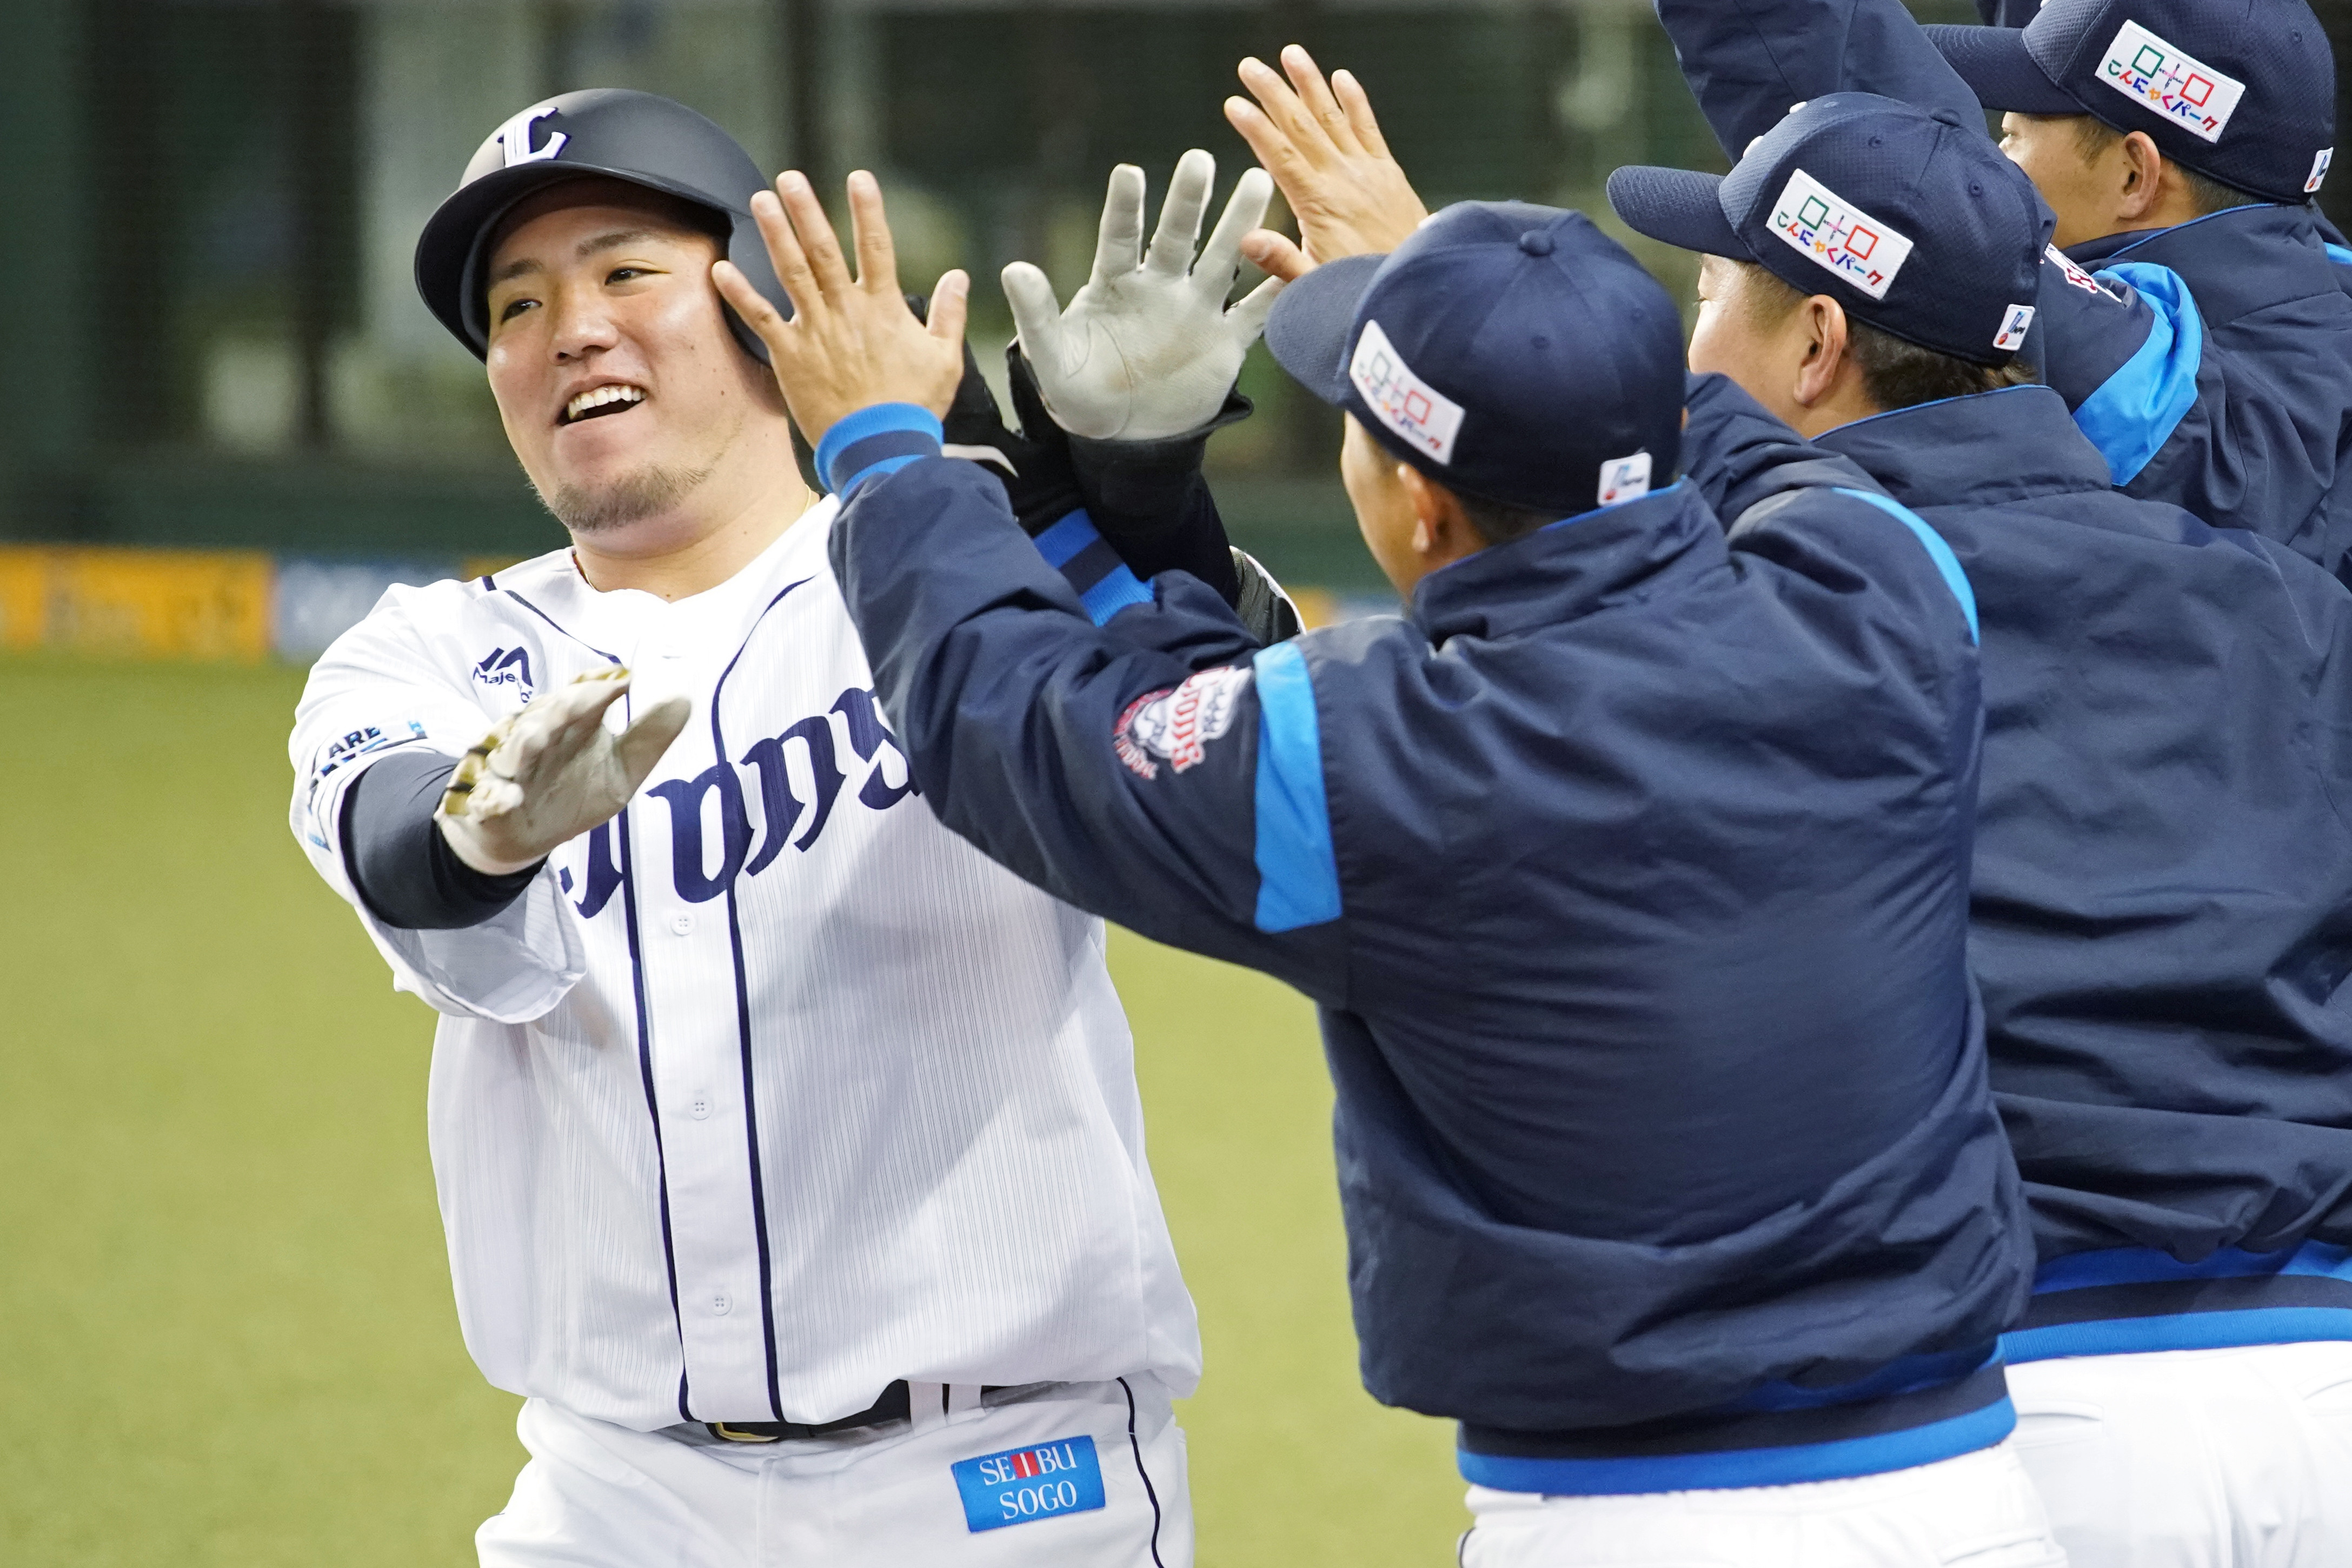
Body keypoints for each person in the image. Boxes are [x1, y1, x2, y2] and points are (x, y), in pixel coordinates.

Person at [719, 157, 2063, 1563]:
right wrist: (1502, 322)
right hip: (1966, 1495)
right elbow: (1717, 450)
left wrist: (888, 451)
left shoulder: (1368, 747)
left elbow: (1021, 726)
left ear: (1413, 503)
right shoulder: (1884, 589)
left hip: (1626, 1521)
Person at [289, 86, 1280, 1567]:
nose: (568, 328)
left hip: (996, 1481)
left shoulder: (955, 568)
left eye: (623, 271)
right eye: (514, 303)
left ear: (763, 308)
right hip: (613, 1499)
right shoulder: (430, 653)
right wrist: (473, 838)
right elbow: (389, 844)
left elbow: (1239, 772)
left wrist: (1138, 511)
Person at [1606, 90, 2352, 1566]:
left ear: (1815, 347)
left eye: (1705, 296)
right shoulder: (2281, 599)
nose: (1691, 341)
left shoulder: (1784, 616)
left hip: (2016, 1413)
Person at [1645, 0, 2352, 583]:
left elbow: (1901, 193)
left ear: (2136, 175)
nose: (1991, 162)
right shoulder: (2308, 291)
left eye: (2010, 139)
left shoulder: (2192, 416)